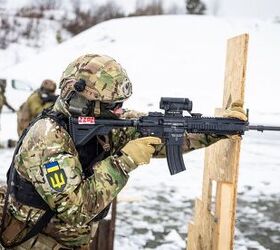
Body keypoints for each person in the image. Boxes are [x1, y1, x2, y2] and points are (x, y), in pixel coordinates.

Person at [0, 54, 246, 249]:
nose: (120, 111)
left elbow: (165, 135)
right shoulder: (47, 140)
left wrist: (219, 127)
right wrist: (125, 161)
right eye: (113, 105)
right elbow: (77, 210)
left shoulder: (100, 120)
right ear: (84, 102)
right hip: (33, 244)